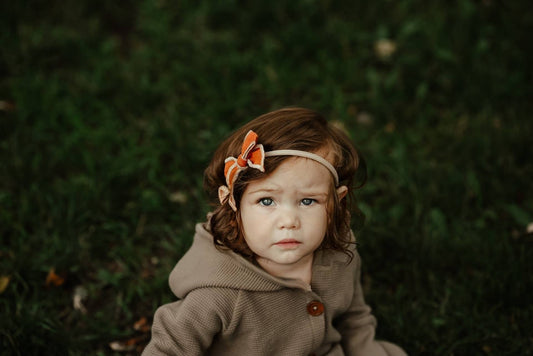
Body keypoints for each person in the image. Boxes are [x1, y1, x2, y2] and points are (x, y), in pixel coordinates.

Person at [142, 107, 407, 355]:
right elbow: (169, 348)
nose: (289, 221)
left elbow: (354, 316)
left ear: (336, 203)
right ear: (233, 204)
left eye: (308, 201)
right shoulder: (218, 294)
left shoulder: (340, 252)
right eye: (266, 201)